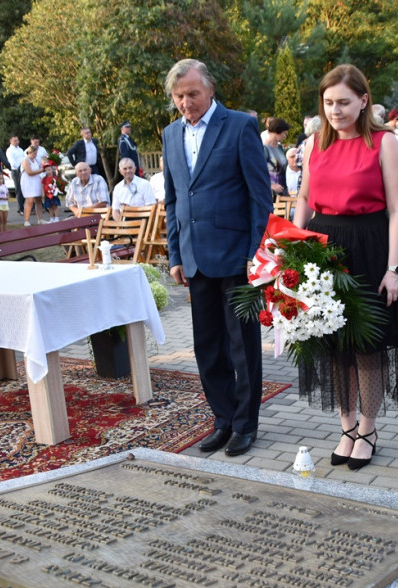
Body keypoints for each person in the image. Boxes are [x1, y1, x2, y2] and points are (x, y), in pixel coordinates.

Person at [292, 63, 398, 470]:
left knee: (368, 348)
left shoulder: (384, 144)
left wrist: (393, 268)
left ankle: (368, 428)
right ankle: (346, 428)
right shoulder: (314, 145)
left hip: (370, 248)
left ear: (364, 101)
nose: (335, 110)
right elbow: (305, 201)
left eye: (344, 102)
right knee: (334, 348)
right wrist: (293, 250)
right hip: (324, 250)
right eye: (328, 103)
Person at [162, 58, 272, 457]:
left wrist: (254, 253)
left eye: (192, 94)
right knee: (207, 347)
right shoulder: (170, 135)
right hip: (194, 259)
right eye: (178, 96)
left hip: (236, 257)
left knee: (242, 346)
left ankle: (245, 424)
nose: (185, 103)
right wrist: (175, 254)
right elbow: (173, 200)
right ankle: (222, 419)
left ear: (209, 90)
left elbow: (260, 197)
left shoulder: (240, 125)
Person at [263, 117, 290, 196]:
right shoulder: (264, 149)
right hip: (270, 194)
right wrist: (270, 185)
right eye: (284, 133)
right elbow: (257, 172)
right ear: (276, 132)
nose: (285, 136)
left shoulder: (280, 148)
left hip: (282, 192)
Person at [20, 146, 46, 226]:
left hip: (36, 180)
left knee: (38, 200)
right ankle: (26, 220)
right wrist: (41, 170)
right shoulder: (25, 160)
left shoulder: (35, 160)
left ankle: (40, 219)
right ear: (30, 152)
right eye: (34, 153)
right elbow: (29, 172)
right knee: (30, 200)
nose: (35, 155)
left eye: (36, 153)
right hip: (28, 181)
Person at [6, 135, 26, 214]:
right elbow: (12, 162)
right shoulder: (10, 150)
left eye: (17, 140)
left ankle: (24, 206)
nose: (17, 142)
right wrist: (20, 166)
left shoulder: (20, 149)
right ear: (11, 141)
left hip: (22, 169)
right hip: (16, 170)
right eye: (15, 140)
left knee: (23, 188)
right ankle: (20, 208)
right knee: (18, 188)